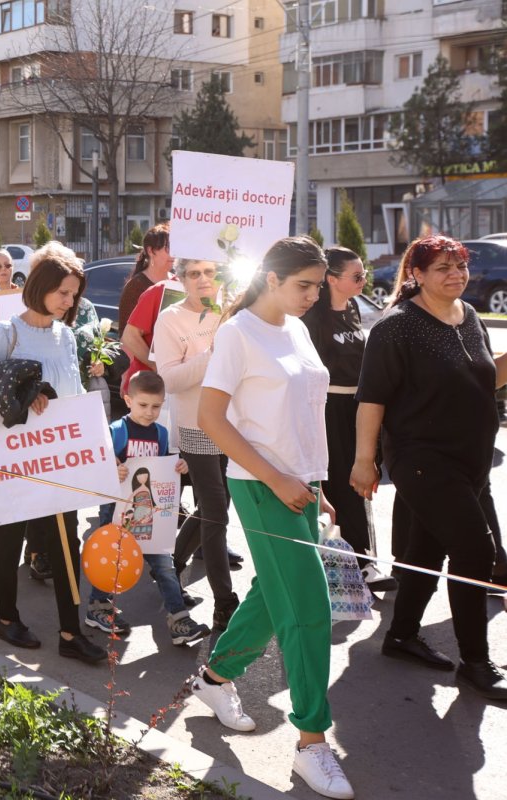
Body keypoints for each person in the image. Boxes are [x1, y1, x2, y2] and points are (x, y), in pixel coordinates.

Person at [189, 236, 354, 800]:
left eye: (318, 284)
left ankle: (214, 679)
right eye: (304, 284)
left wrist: (316, 484)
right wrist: (279, 478)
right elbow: (211, 418)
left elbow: (306, 415)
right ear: (271, 278)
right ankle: (312, 742)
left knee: (274, 592)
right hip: (262, 487)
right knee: (309, 610)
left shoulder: (298, 328)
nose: (314, 294)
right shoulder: (238, 333)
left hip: (299, 486)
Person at [351, 235, 507, 701]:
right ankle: (476, 664)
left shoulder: (470, 315)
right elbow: (371, 400)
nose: (456, 275)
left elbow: (483, 379)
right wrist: (364, 462)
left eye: (459, 266)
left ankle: (400, 637)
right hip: (423, 460)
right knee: (475, 555)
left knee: (424, 554)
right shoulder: (395, 327)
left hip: (471, 459)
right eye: (443, 267)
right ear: (415, 273)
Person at [0, 242, 107, 664]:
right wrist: (23, 394)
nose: (69, 301)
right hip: (13, 454)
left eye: (74, 294)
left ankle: (70, 631)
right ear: (41, 287)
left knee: (66, 540)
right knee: (10, 537)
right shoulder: (4, 332)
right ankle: (6, 619)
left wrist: (95, 448)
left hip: (59, 456)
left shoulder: (65, 337)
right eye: (62, 292)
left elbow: (74, 394)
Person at [302, 247, 396, 593]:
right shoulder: (313, 316)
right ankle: (350, 565)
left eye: (364, 275)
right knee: (341, 484)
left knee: (362, 481)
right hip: (328, 409)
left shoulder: (354, 307)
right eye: (356, 276)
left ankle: (365, 560)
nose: (363, 281)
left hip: (358, 406)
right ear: (332, 279)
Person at [90, 370, 209, 645]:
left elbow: (165, 467)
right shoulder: (117, 431)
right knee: (112, 563)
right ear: (128, 400)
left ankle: (179, 619)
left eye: (156, 406)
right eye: (143, 405)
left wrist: (180, 465)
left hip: (151, 515)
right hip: (117, 512)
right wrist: (113, 468)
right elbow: (99, 463)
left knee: (164, 566)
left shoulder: (162, 433)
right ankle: (98, 606)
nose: (149, 412)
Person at [154, 258, 239, 632]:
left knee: (213, 507)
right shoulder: (170, 318)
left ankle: (170, 566)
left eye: (211, 272)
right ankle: (225, 602)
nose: (204, 279)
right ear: (181, 278)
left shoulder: (234, 310)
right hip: (197, 425)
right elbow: (170, 380)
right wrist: (212, 353)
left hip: (237, 424)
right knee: (216, 511)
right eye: (194, 273)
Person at [117, 223, 171, 335]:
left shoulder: (178, 282)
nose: (173, 254)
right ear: (150, 251)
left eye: (175, 248)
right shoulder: (136, 286)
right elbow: (125, 336)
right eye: (168, 248)